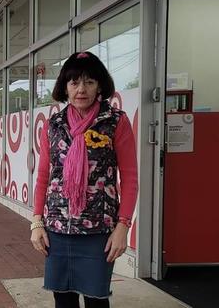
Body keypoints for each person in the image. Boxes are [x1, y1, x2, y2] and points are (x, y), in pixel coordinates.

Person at [30, 52, 138, 308]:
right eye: (74, 82)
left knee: (97, 300)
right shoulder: (54, 124)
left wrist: (123, 227)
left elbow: (130, 177)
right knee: (63, 299)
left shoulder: (115, 122)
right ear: (65, 87)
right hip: (57, 229)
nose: (81, 89)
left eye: (89, 82)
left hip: (99, 232)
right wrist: (36, 223)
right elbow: (44, 175)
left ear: (99, 85)